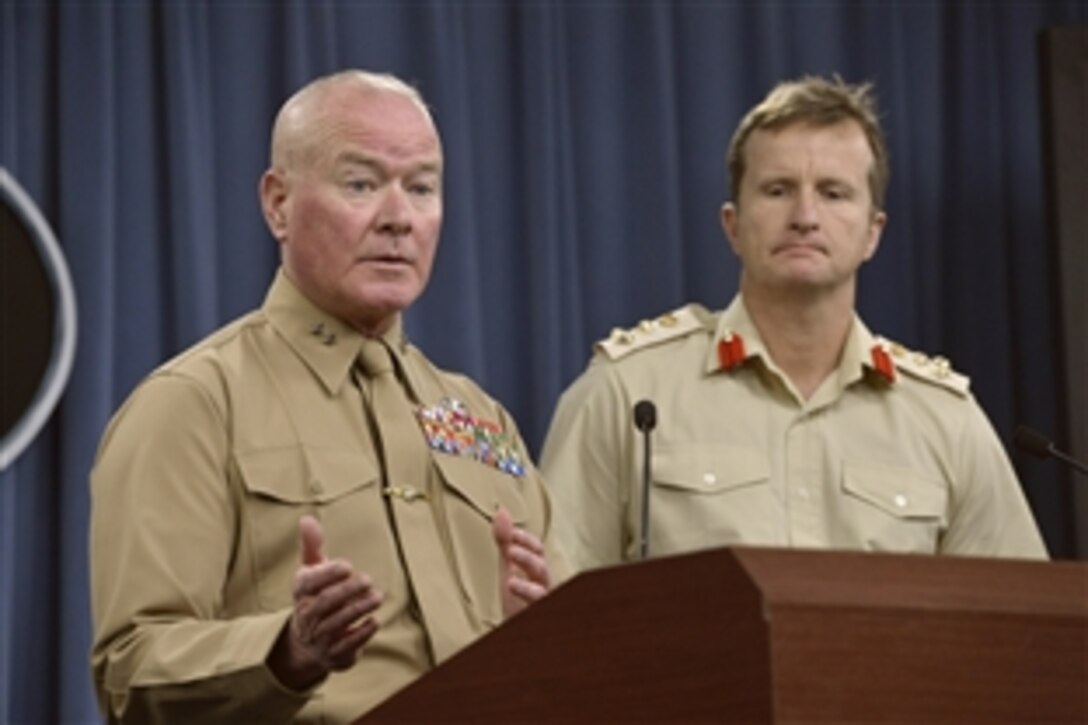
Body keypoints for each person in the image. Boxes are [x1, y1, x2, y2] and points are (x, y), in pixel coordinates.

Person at [90, 70, 567, 723]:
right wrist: (287, 650)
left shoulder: (481, 418)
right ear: (278, 203)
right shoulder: (193, 404)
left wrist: (548, 643)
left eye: (422, 187)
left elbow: (582, 654)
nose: (398, 217)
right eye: (361, 184)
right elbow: (130, 671)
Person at [539, 75, 1047, 572]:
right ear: (733, 226)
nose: (805, 215)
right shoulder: (627, 395)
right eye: (778, 190)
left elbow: (1022, 631)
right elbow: (548, 616)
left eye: (833, 193)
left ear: (874, 233)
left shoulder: (946, 421)